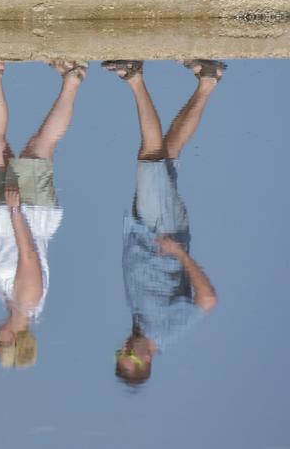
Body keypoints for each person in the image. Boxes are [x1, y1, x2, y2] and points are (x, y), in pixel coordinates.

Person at [106, 59, 221, 385]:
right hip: (162, 229)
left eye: (119, 353)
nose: (123, 347)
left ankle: (208, 81)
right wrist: (180, 255)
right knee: (150, 157)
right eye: (127, 355)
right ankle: (135, 78)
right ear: (145, 360)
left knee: (168, 151)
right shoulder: (166, 330)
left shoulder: (142, 324)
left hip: (147, 227)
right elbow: (208, 300)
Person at [0, 61, 80, 369]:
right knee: (39, 148)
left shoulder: (8, 300)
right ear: (15, 340)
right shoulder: (29, 301)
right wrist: (15, 211)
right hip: (26, 212)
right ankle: (73, 80)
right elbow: (29, 255)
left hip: (0, 215)